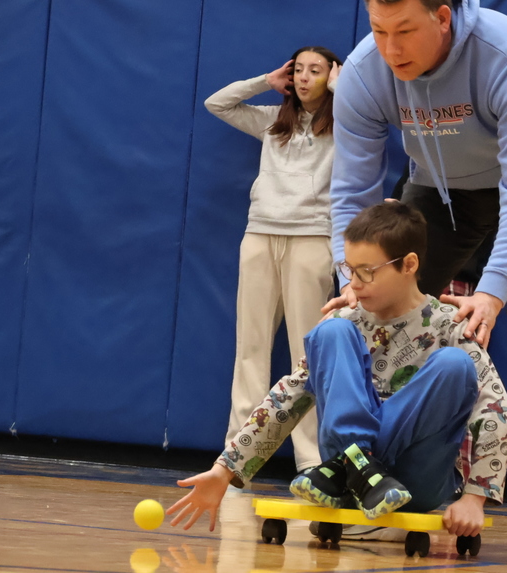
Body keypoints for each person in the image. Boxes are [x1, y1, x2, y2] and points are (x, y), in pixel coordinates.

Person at [324, 0, 507, 553]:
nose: (391, 48)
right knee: (377, 304)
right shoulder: (362, 74)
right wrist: (352, 277)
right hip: (440, 186)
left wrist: (493, 292)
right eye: (378, 31)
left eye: (404, 31)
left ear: (443, 17)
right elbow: (351, 192)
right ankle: (373, 471)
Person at [167, 202, 507, 539]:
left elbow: (495, 409)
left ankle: (358, 467)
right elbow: (288, 395)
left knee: (454, 364)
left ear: (408, 264)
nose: (355, 283)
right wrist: (224, 471)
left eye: (367, 272)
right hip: (341, 477)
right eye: (349, 270)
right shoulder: (346, 320)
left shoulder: (449, 325)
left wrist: (474, 497)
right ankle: (356, 462)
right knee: (330, 330)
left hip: (413, 482)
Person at [204, 46, 342, 475]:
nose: (304, 78)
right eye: (298, 70)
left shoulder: (347, 125)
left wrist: (345, 90)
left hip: (312, 240)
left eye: (315, 71)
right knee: (252, 344)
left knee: (308, 353)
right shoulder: (272, 122)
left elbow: (376, 123)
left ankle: (310, 461)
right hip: (260, 234)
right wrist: (266, 79)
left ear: (330, 76)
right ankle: (236, 456)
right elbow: (218, 103)